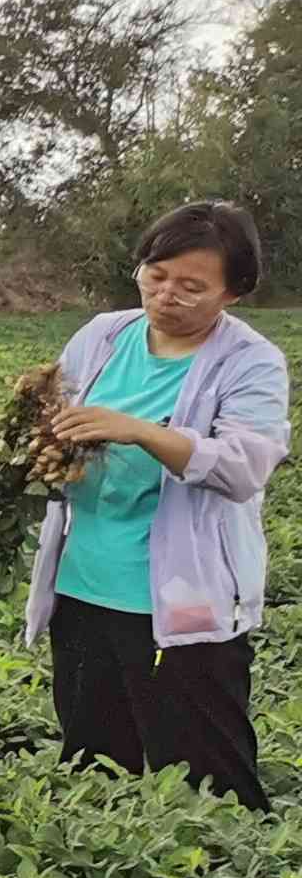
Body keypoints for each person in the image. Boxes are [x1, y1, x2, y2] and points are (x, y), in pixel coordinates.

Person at [23, 199, 285, 807]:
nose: (166, 295)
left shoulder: (251, 363)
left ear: (233, 294)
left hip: (182, 601)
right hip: (85, 584)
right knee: (94, 766)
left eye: (192, 286)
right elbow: (55, 416)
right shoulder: (103, 335)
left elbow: (246, 466)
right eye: (156, 274)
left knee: (207, 778)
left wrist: (140, 429)